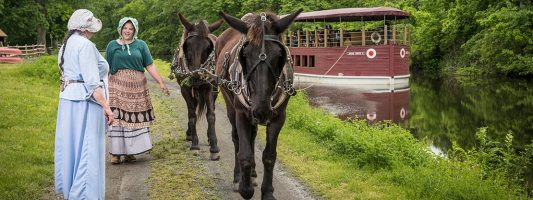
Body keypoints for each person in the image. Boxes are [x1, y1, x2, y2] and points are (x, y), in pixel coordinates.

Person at [54, 9, 113, 200]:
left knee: (72, 146)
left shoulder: (65, 45)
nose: (94, 32)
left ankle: (73, 190)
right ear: (86, 29)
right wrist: (106, 107)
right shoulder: (86, 46)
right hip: (86, 102)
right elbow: (91, 82)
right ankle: (84, 195)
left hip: (68, 101)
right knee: (88, 148)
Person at [105, 17, 169, 164]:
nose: (127, 31)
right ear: (120, 29)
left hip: (137, 88)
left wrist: (160, 82)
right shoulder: (111, 45)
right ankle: (116, 153)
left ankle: (130, 152)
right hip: (116, 86)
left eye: (131, 29)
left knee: (132, 119)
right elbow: (105, 67)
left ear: (135, 30)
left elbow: (150, 65)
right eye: (125, 28)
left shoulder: (141, 45)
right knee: (117, 118)